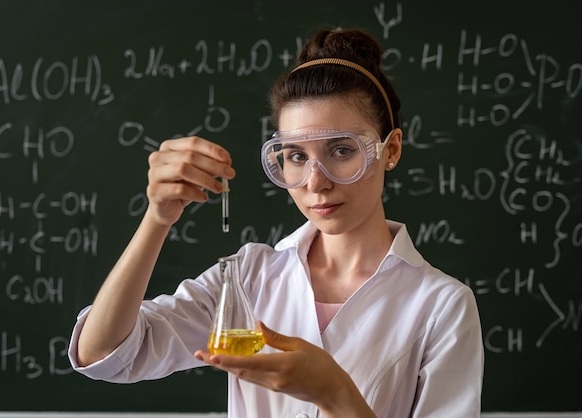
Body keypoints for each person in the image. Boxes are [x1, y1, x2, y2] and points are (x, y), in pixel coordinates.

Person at [69, 27, 484, 418]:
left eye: (341, 150)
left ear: (389, 149)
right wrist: (157, 219)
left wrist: (337, 396)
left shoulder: (441, 305)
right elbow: (106, 355)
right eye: (296, 156)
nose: (316, 183)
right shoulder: (249, 277)